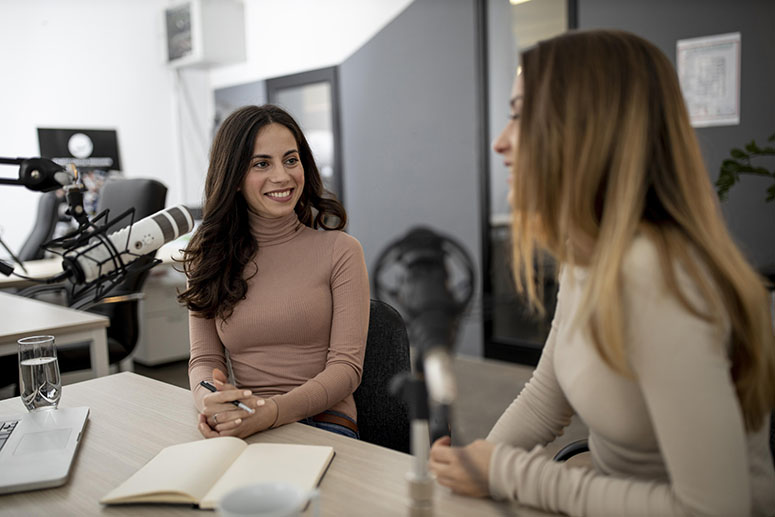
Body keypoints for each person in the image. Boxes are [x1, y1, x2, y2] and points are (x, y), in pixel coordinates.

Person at [429, 30, 775, 516]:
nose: (500, 141)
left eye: (521, 115)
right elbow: (546, 397)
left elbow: (713, 510)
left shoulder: (659, 277)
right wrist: (475, 466)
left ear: (586, 131)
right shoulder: (587, 252)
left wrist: (506, 472)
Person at [178, 104, 370, 440]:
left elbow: (346, 370)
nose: (282, 176)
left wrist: (272, 412)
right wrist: (209, 400)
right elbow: (205, 359)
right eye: (261, 164)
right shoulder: (207, 257)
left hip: (323, 422)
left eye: (291, 160)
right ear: (234, 178)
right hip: (247, 421)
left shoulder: (341, 251)